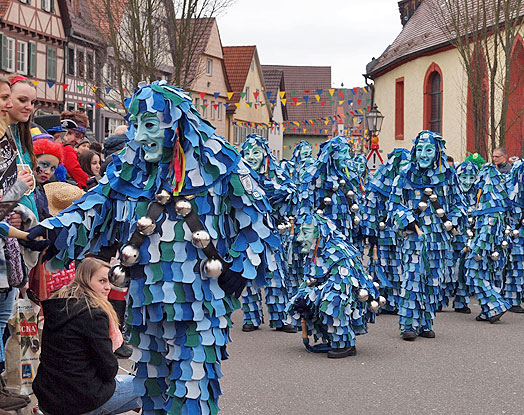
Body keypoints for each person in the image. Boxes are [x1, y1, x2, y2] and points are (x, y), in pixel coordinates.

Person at [26, 81, 279, 414]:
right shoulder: (130, 168)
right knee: (152, 389)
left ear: (175, 123)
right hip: (146, 301)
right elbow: (96, 204)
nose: (141, 136)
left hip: (200, 303)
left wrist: (240, 268)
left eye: (149, 125)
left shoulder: (222, 165)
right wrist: (55, 229)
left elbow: (257, 219)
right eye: (135, 126)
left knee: (192, 389)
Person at [33, 257, 140, 415]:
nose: (108, 287)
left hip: (48, 397)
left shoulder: (58, 304)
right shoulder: (93, 314)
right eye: (102, 281)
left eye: (109, 281)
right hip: (78, 400)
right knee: (146, 386)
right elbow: (109, 369)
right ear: (85, 280)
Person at [388, 131, 467, 341]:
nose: (424, 154)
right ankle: (408, 325)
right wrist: (407, 219)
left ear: (437, 153)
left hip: (439, 239)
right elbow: (394, 205)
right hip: (414, 237)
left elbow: (460, 204)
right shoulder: (404, 176)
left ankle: (425, 323)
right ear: (415, 151)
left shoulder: (449, 177)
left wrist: (454, 219)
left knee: (433, 281)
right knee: (413, 277)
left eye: (429, 150)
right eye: (421, 149)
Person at [286, 212, 380, 358]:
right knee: (301, 299)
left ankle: (345, 344)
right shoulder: (317, 250)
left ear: (319, 232)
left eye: (306, 233)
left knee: (332, 301)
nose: (300, 238)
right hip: (328, 288)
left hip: (348, 294)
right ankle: (330, 337)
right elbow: (315, 277)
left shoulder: (338, 251)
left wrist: (316, 294)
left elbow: (343, 285)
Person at [32, 139, 63, 220]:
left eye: (53, 169)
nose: (48, 172)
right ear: (32, 160)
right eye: (44, 165)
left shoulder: (42, 190)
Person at [59, 110, 90, 189]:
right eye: (77, 135)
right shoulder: (67, 149)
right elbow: (76, 172)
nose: (78, 141)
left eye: (81, 138)